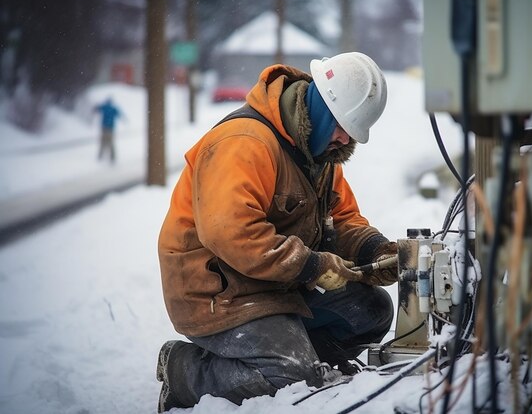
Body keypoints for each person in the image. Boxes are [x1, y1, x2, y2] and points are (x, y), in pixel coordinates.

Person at [156, 52, 399, 413]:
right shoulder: (243, 142)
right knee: (290, 377)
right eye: (341, 123)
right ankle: (182, 370)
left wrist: (374, 251)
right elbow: (232, 233)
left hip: (276, 284)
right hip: (219, 292)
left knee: (372, 311)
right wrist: (313, 266)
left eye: (353, 131)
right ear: (317, 103)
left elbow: (343, 217)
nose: (345, 137)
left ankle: (289, 359)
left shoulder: (319, 155)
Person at [93, 97, 122, 163]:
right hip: (110, 128)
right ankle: (112, 157)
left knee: (103, 142)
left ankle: (101, 156)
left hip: (105, 127)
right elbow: (119, 114)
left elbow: (97, 109)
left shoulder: (105, 107)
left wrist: (95, 108)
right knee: (110, 142)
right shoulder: (112, 108)